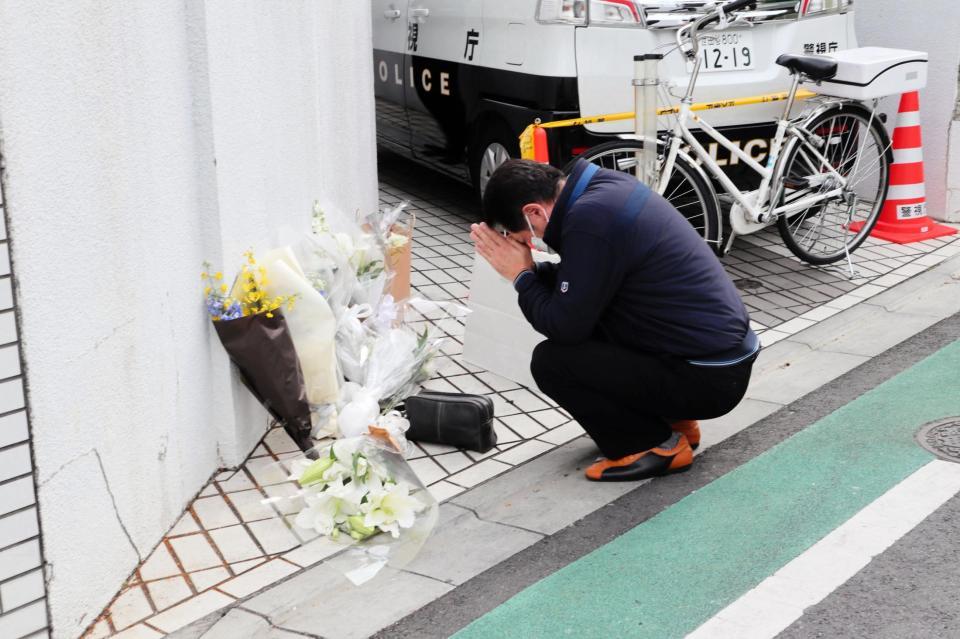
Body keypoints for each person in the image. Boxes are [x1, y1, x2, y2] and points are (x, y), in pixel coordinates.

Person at [471, 159, 759, 481]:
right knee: (597, 320)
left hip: (707, 379)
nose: (530, 242)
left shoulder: (591, 220)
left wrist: (522, 276)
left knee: (552, 363)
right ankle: (676, 421)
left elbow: (563, 325)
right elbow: (586, 281)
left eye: (526, 234)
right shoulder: (602, 189)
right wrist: (532, 271)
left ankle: (653, 445)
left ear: (534, 212)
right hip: (716, 363)